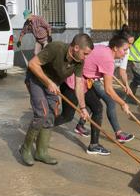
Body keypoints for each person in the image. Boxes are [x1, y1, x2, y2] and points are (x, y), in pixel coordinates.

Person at [19, 34, 93, 166]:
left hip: (52, 84)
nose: (86, 57)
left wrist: (82, 108)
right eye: (85, 53)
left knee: (51, 115)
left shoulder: (79, 61)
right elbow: (32, 64)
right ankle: (25, 149)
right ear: (76, 48)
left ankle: (41, 153)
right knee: (42, 113)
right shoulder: (56, 48)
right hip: (36, 79)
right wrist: (48, 82)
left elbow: (79, 84)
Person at [58, 35, 132, 155]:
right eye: (124, 50)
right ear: (115, 48)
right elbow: (108, 89)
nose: (125, 53)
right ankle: (43, 125)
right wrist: (123, 103)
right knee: (67, 117)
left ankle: (94, 145)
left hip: (83, 81)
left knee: (97, 108)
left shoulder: (104, 48)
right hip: (73, 82)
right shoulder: (108, 60)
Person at [80, 26, 135, 143]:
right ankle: (117, 134)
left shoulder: (120, 51)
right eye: (127, 45)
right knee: (107, 102)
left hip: (95, 76)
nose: (128, 49)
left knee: (95, 104)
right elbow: (109, 89)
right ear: (117, 46)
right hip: (86, 77)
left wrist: (126, 85)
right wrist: (123, 103)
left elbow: (122, 71)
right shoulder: (106, 49)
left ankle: (80, 124)